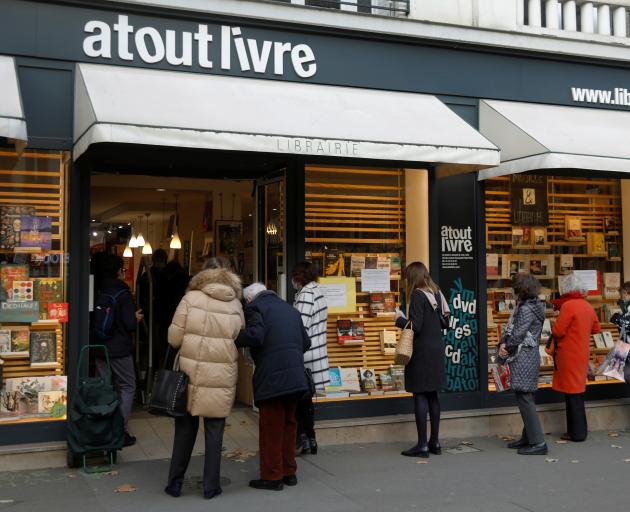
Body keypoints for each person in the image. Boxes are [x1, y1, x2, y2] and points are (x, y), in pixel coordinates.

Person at [164, 257, 244, 499]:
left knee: (185, 430)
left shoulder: (190, 299)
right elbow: (238, 334)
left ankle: (175, 484)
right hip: (221, 374)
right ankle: (211, 487)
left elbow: (173, 339)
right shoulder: (235, 303)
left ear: (202, 274)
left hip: (190, 374)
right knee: (215, 431)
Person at [235, 283, 311, 491]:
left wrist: (232, 336)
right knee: (289, 425)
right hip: (295, 376)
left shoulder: (255, 307)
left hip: (272, 378)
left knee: (271, 428)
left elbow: (255, 336)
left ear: (249, 299)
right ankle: (289, 472)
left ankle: (272, 476)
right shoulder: (290, 309)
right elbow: (306, 342)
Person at [395, 261, 450, 458]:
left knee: (419, 394)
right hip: (436, 349)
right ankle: (434, 442)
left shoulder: (418, 295)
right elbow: (446, 322)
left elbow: (415, 326)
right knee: (433, 395)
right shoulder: (436, 292)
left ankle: (421, 445)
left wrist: (399, 319)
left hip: (422, 351)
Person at [93, 254, 143, 447]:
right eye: (122, 270)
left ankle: (100, 428)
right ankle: (119, 431)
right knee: (128, 386)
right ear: (117, 271)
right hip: (119, 349)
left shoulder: (96, 287)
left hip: (98, 346)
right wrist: (136, 318)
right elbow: (129, 323)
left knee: (104, 386)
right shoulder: (122, 292)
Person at [547, 274, 601, 442]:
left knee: (572, 395)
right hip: (581, 353)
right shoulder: (587, 306)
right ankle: (576, 431)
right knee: (576, 393)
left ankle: (577, 433)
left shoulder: (568, 306)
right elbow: (596, 329)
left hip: (568, 354)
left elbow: (557, 331)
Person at [499, 273, 547, 455]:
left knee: (524, 397)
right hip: (529, 356)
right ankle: (528, 438)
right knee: (526, 397)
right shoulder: (533, 306)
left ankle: (538, 443)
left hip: (522, 356)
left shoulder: (526, 309)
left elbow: (518, 334)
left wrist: (506, 347)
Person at [292, 261, 329, 455]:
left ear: (299, 278)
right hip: (318, 353)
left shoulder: (306, 294)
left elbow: (300, 326)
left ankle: (303, 440)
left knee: (300, 401)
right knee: (306, 401)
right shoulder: (318, 291)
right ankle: (310, 440)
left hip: (306, 355)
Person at [610, 281, 630, 384]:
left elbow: (627, 324)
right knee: (625, 372)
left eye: (622, 294)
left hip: (627, 346)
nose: (622, 297)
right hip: (625, 345)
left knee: (627, 373)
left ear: (626, 292)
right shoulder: (626, 307)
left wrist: (620, 320)